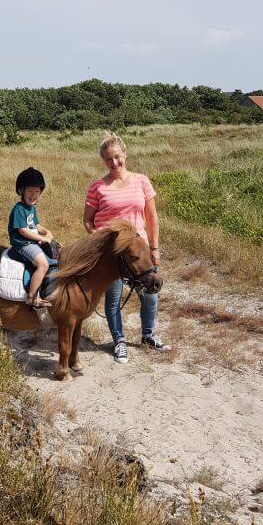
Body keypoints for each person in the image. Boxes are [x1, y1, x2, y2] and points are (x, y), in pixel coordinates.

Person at [83, 132, 170, 363]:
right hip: (111, 254)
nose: (114, 163)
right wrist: (98, 239)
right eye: (108, 160)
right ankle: (119, 341)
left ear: (125, 154)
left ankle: (148, 335)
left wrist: (154, 247)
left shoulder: (141, 180)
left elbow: (152, 217)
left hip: (138, 250)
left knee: (150, 294)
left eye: (117, 157)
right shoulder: (97, 187)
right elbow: (87, 220)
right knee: (113, 298)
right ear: (104, 161)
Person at [8, 167, 54, 308]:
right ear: (21, 191)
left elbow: (36, 225)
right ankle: (32, 297)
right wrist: (42, 239)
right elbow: (23, 231)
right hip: (23, 244)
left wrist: (47, 231)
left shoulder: (32, 208)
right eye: (30, 191)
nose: (34, 195)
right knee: (43, 264)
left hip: (32, 242)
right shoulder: (19, 209)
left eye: (37, 192)